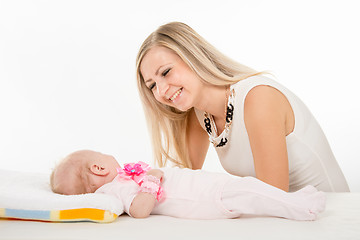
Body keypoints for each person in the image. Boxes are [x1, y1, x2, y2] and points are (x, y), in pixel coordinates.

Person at [136, 22, 349, 192]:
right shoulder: (199, 114)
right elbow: (184, 183)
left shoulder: (258, 98)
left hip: (327, 218)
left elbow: (274, 199)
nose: (161, 91)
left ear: (193, 57)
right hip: (284, 219)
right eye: (152, 85)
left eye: (165, 72)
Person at [50, 149, 326, 220]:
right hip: (203, 197)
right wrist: (152, 180)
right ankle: (302, 209)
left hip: (203, 186)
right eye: (100, 154)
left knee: (249, 188)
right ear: (98, 168)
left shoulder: (119, 181)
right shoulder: (114, 188)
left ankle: (294, 201)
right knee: (249, 191)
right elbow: (139, 210)